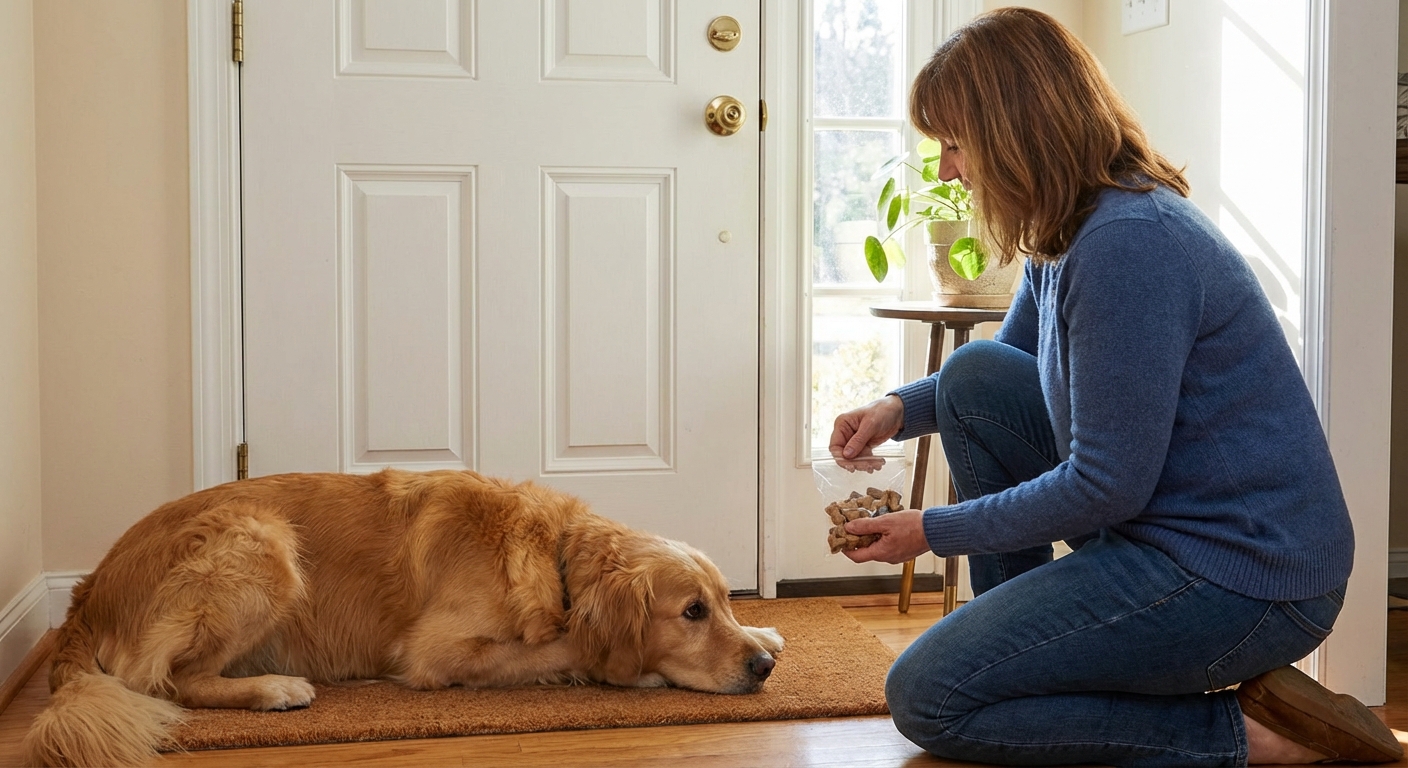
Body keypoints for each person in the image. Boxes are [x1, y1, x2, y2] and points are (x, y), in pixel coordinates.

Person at [828, 8, 1401, 767]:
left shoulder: (1130, 244)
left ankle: (1248, 737)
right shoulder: (1064, 230)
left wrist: (931, 531)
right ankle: (1038, 667)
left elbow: (1106, 485)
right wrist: (898, 409)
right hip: (1172, 540)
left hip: (1244, 579)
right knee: (970, 375)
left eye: (956, 144)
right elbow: (1001, 375)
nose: (946, 170)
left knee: (928, 697)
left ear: (1018, 133)